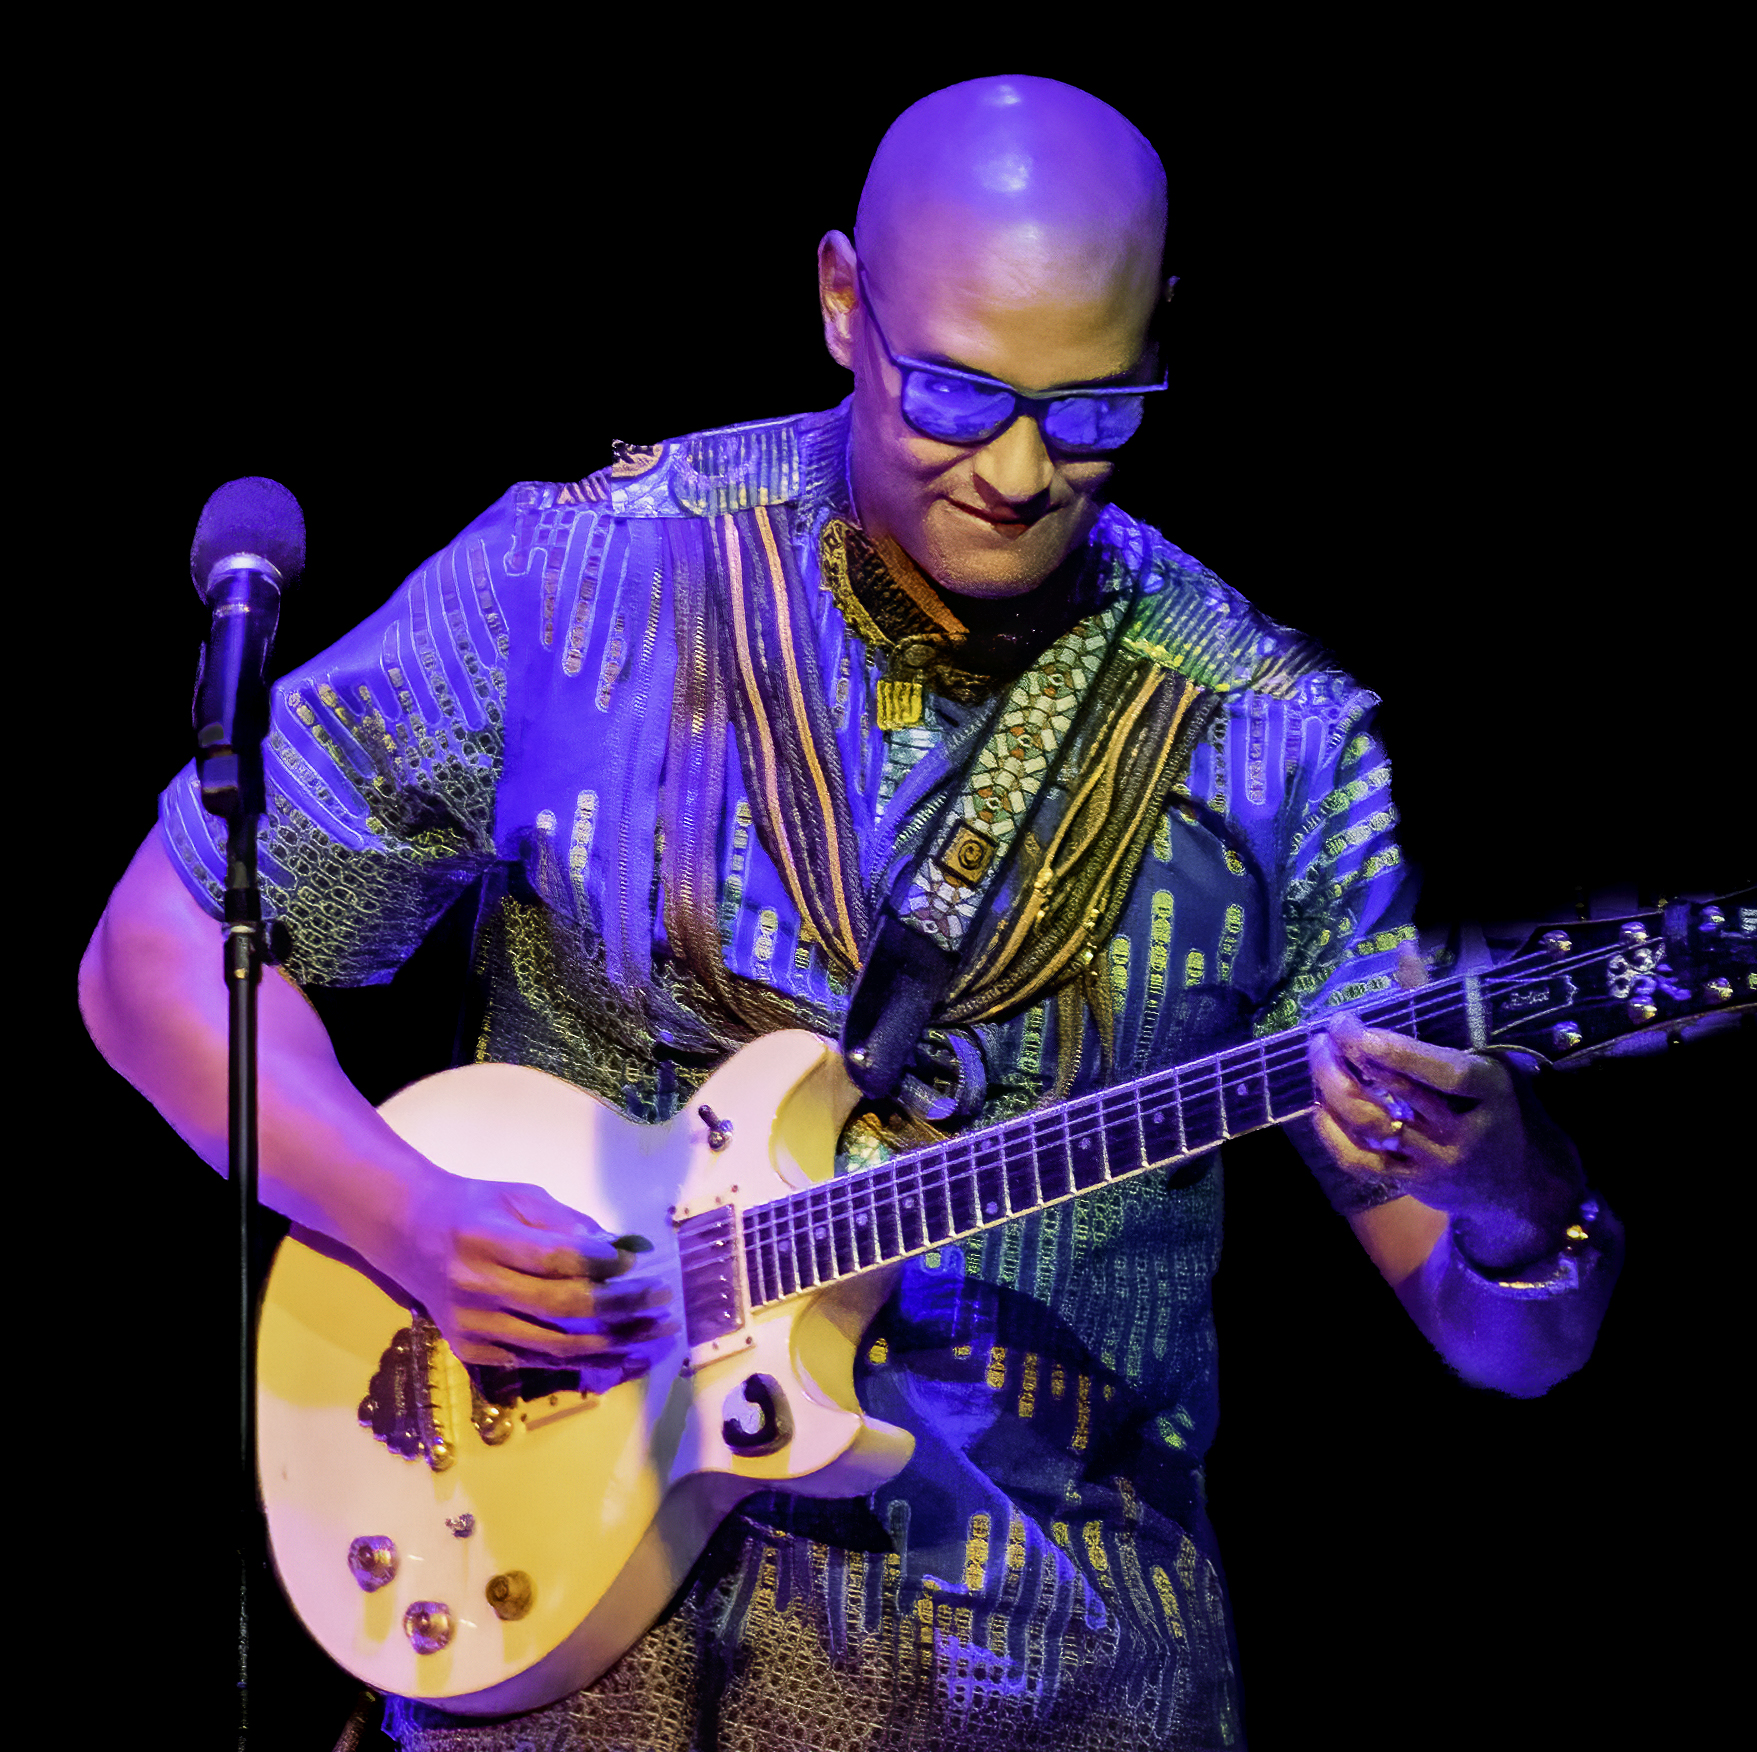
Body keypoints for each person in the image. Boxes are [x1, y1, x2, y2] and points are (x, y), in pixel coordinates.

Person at [80, 76, 1621, 1752]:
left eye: (1094, 409)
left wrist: (1516, 1198)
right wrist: (401, 1217)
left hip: (1053, 1694)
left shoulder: (1273, 737)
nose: (1022, 472)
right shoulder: (577, 575)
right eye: (954, 393)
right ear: (838, 300)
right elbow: (153, 960)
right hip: (552, 1664)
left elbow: (1501, 1347)